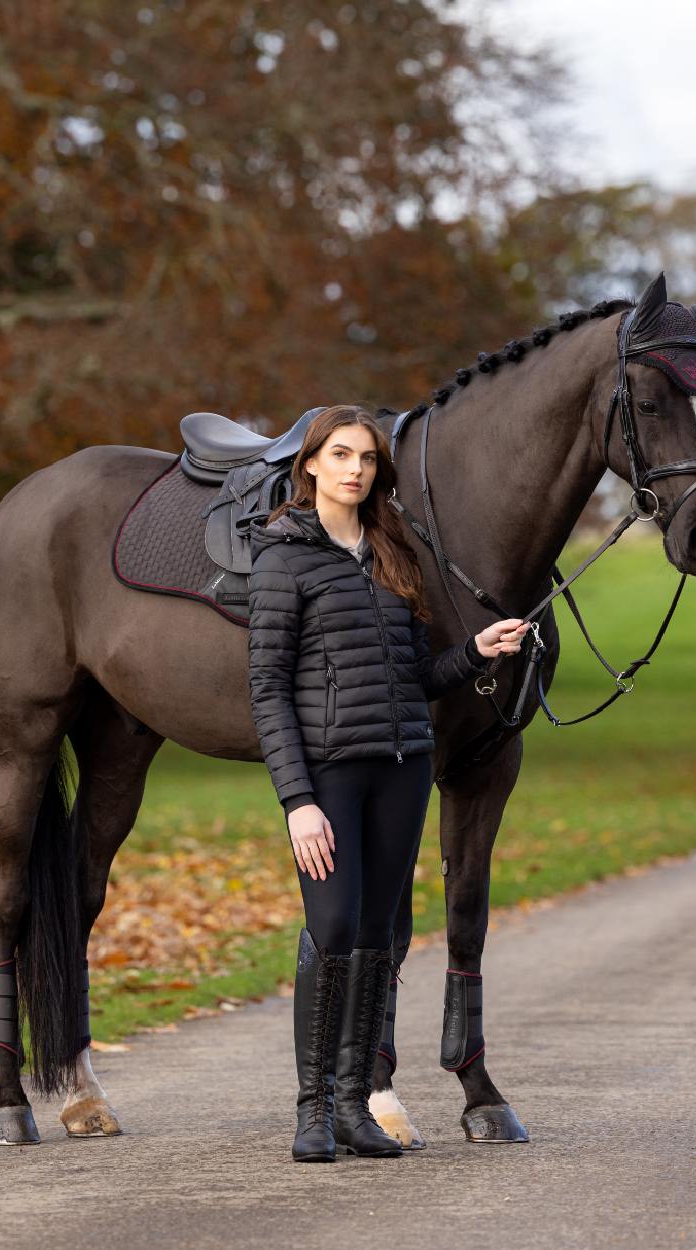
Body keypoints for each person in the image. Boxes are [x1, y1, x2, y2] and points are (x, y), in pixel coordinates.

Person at [247, 404, 530, 1163]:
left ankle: (351, 1106)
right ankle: (311, 1108)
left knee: (378, 937)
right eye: (340, 455)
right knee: (333, 928)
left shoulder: (391, 549)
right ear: (310, 464)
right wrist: (298, 802)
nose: (354, 470)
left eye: (367, 458)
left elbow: (418, 677)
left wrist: (476, 651)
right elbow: (268, 688)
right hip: (330, 776)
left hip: (402, 771)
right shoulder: (282, 557)